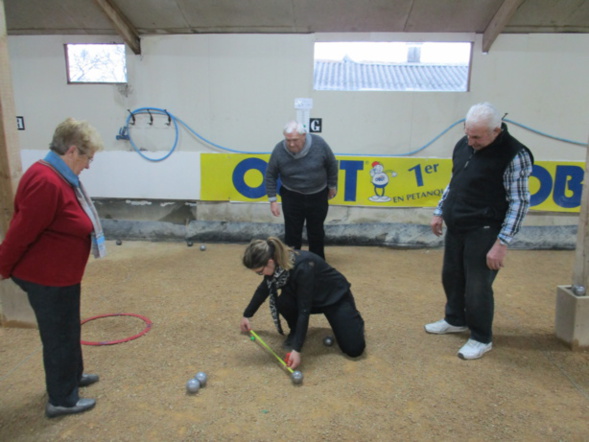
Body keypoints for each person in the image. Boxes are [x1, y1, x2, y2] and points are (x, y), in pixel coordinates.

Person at [0, 118, 106, 418]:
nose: (88, 165)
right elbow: (20, 232)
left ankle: (72, 378)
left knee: (69, 328)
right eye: (87, 158)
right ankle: (61, 399)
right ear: (72, 151)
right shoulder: (46, 181)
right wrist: (3, 267)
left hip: (63, 276)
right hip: (46, 278)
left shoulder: (60, 177)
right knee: (58, 337)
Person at [425, 102, 534, 360]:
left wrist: (502, 242)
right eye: (467, 133)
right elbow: (455, 182)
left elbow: (520, 202)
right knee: (451, 276)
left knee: (477, 286)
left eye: (477, 137)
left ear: (496, 131)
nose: (470, 141)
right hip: (458, 223)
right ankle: (454, 319)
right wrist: (440, 210)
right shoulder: (464, 145)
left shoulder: (514, 154)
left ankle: (481, 337)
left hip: (486, 228)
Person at [240, 237, 365, 369]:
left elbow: (304, 310)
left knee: (354, 350)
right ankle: (295, 331)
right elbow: (263, 289)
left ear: (270, 261)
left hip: (335, 298)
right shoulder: (277, 265)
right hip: (310, 298)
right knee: (283, 302)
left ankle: (353, 320)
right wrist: (247, 315)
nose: (261, 275)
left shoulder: (303, 266)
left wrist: (296, 350)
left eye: (260, 272)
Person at [265, 121, 338, 260]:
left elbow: (332, 165)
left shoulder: (319, 144)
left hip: (318, 194)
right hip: (291, 195)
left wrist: (332, 186)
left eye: (295, 140)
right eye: (288, 140)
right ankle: (291, 262)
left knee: (316, 231)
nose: (291, 144)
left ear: (304, 135)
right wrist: (272, 200)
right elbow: (270, 174)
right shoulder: (279, 150)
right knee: (292, 232)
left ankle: (317, 262)